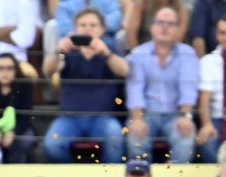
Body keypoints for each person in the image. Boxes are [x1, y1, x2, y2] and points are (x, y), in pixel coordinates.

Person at [42, 7, 128, 165]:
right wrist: (58, 52)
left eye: (93, 25)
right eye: (82, 25)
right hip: (69, 118)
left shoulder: (110, 48)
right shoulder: (68, 50)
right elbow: (48, 70)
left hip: (102, 117)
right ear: (75, 29)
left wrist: (105, 53)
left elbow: (124, 70)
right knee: (52, 145)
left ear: (102, 29)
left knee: (115, 138)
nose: (87, 28)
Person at [125, 6, 199, 163]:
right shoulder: (138, 54)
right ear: (151, 27)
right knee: (135, 137)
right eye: (160, 22)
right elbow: (135, 89)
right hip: (147, 113)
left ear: (179, 29)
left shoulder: (188, 53)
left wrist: (185, 116)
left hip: (176, 113)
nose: (164, 27)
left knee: (185, 139)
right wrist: (137, 118)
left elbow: (188, 88)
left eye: (170, 23)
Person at [197, 15, 226, 161]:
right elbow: (204, 98)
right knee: (207, 142)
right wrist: (207, 124)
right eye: (222, 33)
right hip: (218, 118)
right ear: (216, 35)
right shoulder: (208, 61)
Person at [124, 0, 189, 50]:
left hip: (170, 50)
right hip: (142, 47)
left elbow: (179, 37)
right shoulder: (142, 2)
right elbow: (131, 33)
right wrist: (138, 54)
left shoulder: (180, 7)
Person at [54, 0, 123, 39]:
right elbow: (64, 28)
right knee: (52, 25)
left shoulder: (110, 2)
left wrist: (95, 29)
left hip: (104, 38)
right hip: (74, 40)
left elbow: (115, 22)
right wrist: (84, 31)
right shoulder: (65, 5)